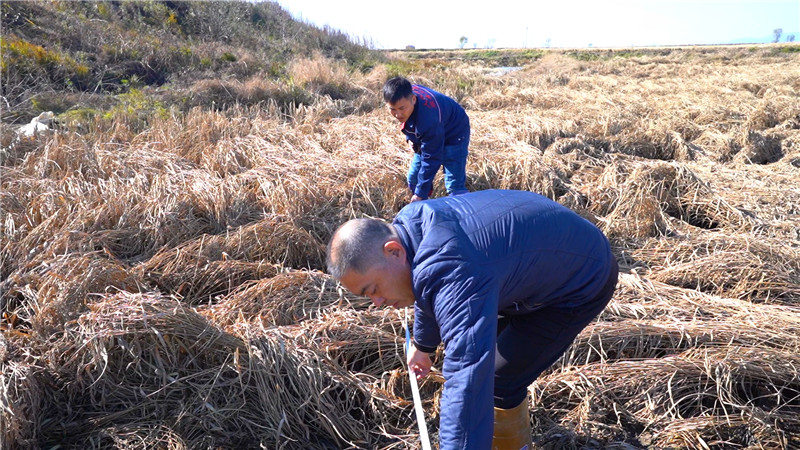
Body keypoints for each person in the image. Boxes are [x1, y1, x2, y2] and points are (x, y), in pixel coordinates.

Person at [326, 189, 619, 450]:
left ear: (393, 251)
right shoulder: (412, 226)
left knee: (497, 378)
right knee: (494, 360)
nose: (377, 303)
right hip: (532, 266)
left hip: (580, 280)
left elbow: (467, 376)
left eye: (373, 289)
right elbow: (428, 285)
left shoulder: (455, 268)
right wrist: (424, 345)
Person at [383, 76, 470, 203]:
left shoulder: (428, 120)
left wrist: (420, 194)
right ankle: (424, 207)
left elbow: (431, 158)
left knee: (454, 184)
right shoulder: (404, 93)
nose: (398, 115)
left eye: (402, 108)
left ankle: (464, 214)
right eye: (392, 109)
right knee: (413, 178)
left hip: (455, 131)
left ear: (413, 99)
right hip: (434, 129)